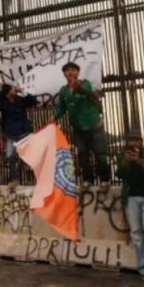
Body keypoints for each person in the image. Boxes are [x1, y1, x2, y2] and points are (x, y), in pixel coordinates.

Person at [49, 62, 110, 192]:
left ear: (77, 72)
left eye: (72, 70)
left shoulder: (85, 83)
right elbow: (62, 108)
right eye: (66, 71)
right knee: (82, 155)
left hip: (94, 126)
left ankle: (105, 180)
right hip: (78, 129)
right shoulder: (63, 90)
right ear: (64, 74)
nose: (69, 72)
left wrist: (77, 87)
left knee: (100, 154)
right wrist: (54, 117)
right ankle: (88, 180)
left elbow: (87, 92)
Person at [116, 129, 144, 282]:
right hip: (130, 198)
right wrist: (124, 163)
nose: (134, 143)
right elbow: (119, 175)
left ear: (141, 142)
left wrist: (140, 162)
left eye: (137, 140)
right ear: (127, 142)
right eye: (131, 140)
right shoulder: (122, 155)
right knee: (136, 233)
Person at [0, 83, 38, 188]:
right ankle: (14, 178)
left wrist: (22, 91)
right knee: (10, 155)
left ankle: (38, 176)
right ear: (7, 94)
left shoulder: (20, 100)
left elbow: (33, 101)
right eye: (12, 89)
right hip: (11, 135)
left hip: (24, 132)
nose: (15, 90)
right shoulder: (3, 104)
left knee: (31, 156)